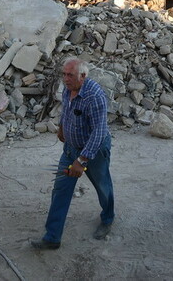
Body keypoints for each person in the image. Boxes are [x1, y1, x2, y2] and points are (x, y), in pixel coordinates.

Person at [30, 57, 115, 250]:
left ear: (83, 76)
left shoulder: (95, 97)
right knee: (60, 190)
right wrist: (62, 128)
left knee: (103, 186)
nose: (65, 79)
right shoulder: (70, 87)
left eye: (70, 75)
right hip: (70, 150)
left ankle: (108, 218)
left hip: (94, 152)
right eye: (64, 74)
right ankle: (52, 237)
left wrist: (82, 160)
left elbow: (99, 132)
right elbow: (68, 110)